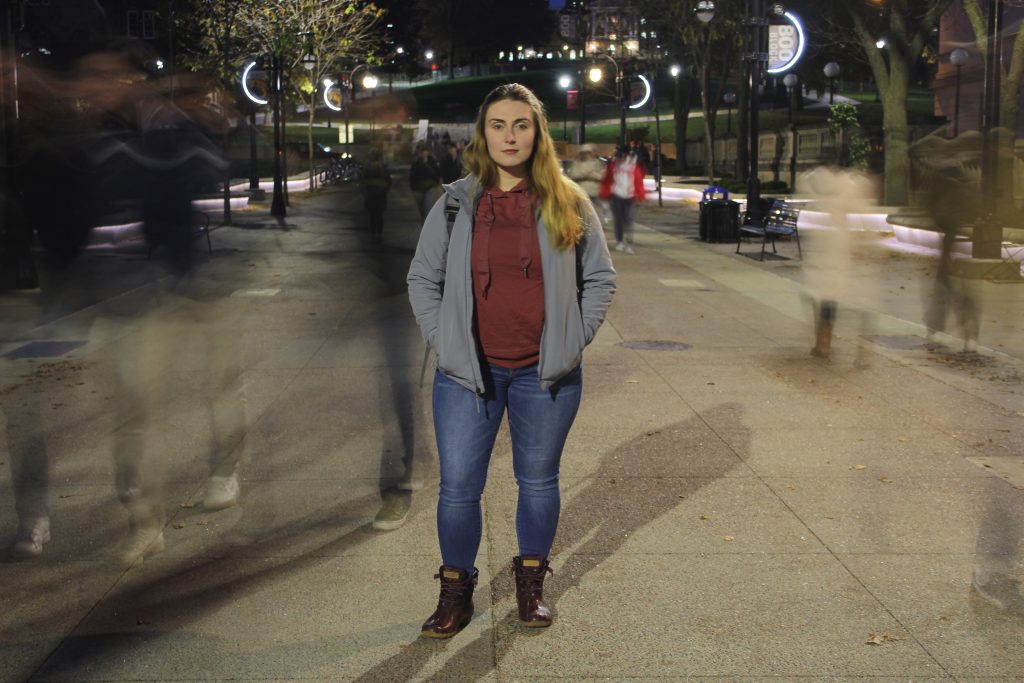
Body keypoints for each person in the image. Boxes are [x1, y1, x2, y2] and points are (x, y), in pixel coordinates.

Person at [407, 83, 616, 639]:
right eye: (498, 125)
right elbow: (422, 277)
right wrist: (444, 341)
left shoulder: (568, 201)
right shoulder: (455, 203)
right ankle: (455, 593)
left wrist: (574, 338)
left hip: (544, 375)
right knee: (457, 488)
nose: (509, 136)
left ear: (537, 133)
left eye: (521, 125)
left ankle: (531, 586)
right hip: (466, 374)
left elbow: (599, 277)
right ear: (484, 134)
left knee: (538, 482)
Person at [599, 145, 646, 254]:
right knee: (619, 220)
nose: (621, 159)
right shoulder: (613, 166)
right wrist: (605, 194)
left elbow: (638, 181)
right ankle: (619, 241)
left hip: (630, 196)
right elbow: (607, 180)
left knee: (628, 220)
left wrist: (641, 195)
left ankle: (629, 243)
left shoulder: (633, 167)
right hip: (616, 196)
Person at [360, 148, 392, 242]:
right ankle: (378, 233)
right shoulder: (383, 169)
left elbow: (362, 183)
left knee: (372, 216)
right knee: (379, 215)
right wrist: (385, 190)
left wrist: (365, 193)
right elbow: (388, 182)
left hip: (371, 195)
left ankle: (374, 233)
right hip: (380, 195)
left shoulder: (367, 169)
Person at [409, 145, 441, 221]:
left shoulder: (432, 162)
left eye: (425, 152)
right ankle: (424, 221)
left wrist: (436, 183)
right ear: (420, 153)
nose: (424, 154)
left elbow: (437, 173)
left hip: (430, 187)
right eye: (422, 152)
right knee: (421, 209)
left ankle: (425, 225)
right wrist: (413, 188)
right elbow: (412, 176)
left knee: (427, 207)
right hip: (418, 189)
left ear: (427, 153)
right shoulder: (416, 163)